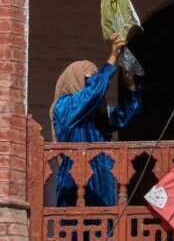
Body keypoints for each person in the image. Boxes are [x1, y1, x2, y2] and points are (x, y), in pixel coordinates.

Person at [50, 34, 143, 207]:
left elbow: (124, 115)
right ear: (76, 78)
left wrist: (129, 83)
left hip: (101, 182)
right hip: (75, 182)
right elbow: (92, 93)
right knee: (74, 231)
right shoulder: (63, 106)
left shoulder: (96, 114)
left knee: (105, 231)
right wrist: (113, 56)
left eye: (96, 78)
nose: (95, 81)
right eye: (90, 79)